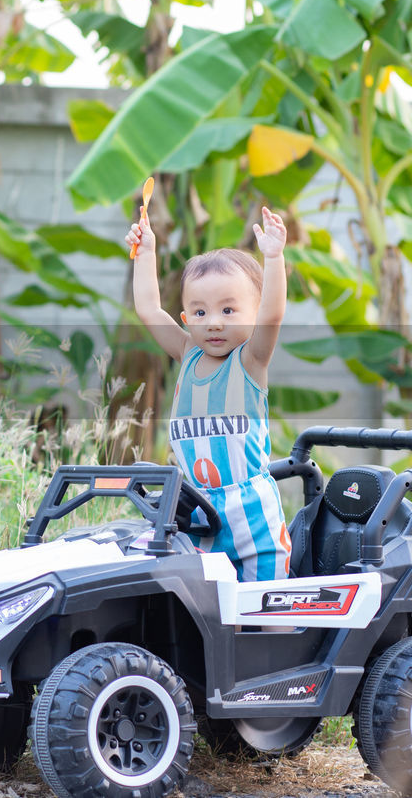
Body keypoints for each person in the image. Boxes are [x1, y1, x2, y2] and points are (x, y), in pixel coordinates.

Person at [125, 206, 292, 582]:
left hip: (253, 520)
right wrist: (147, 251)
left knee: (266, 610)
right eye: (199, 312)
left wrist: (274, 257)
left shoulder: (250, 361)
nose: (214, 322)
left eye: (229, 310)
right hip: (197, 515)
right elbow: (149, 309)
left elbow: (272, 316)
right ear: (184, 318)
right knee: (209, 613)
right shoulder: (187, 354)